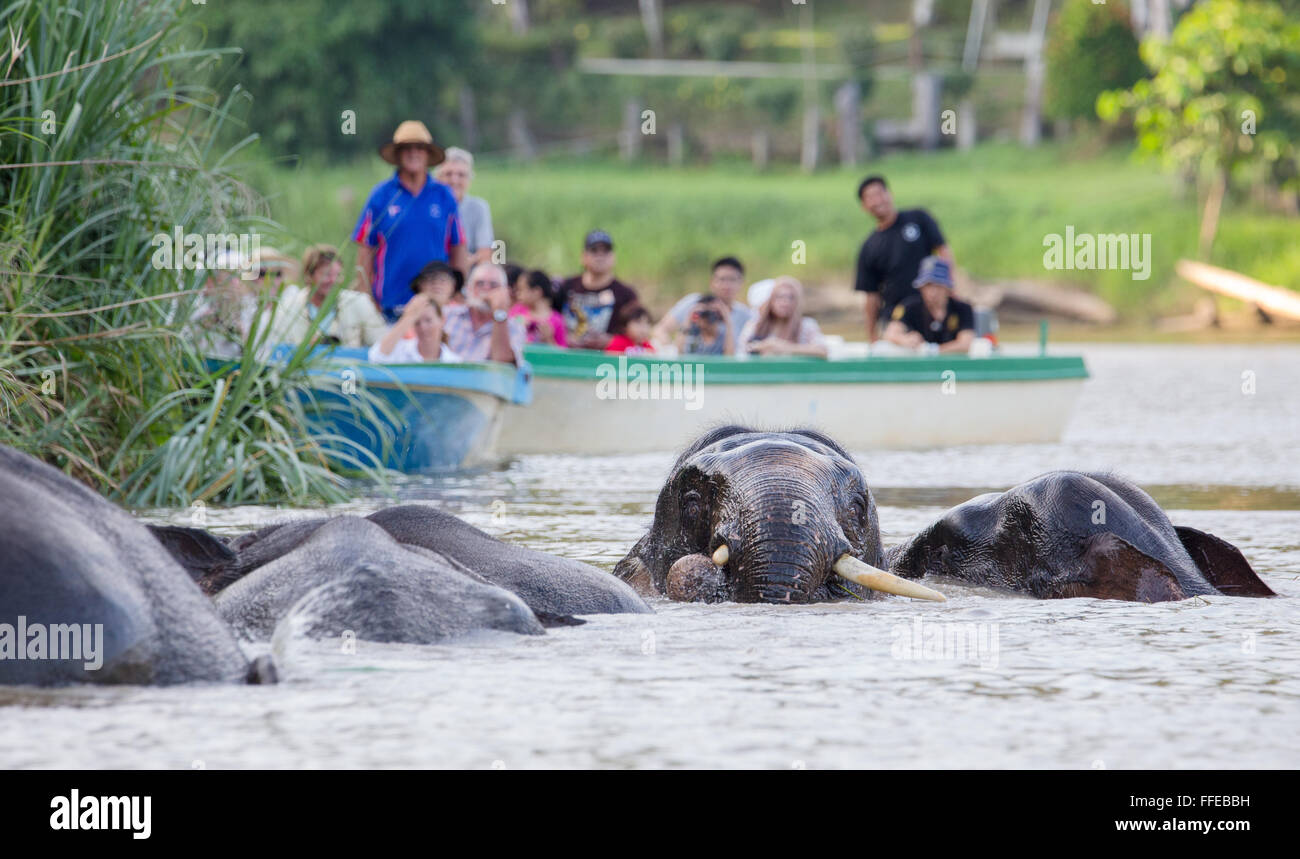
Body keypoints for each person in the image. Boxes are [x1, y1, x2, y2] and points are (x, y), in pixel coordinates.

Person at [353, 120, 466, 321]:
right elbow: (365, 251)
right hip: (390, 306)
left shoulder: (443, 195)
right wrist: (366, 299)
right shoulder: (381, 195)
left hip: (436, 306)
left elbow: (458, 246)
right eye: (407, 148)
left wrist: (456, 292)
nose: (413, 153)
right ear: (398, 154)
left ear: (428, 154)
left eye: (419, 148)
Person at [854, 175, 953, 342]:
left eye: (879, 193)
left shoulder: (918, 219)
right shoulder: (869, 247)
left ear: (889, 194)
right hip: (896, 316)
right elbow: (871, 297)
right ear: (864, 206)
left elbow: (943, 251)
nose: (877, 201)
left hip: (929, 309)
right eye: (870, 197)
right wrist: (871, 337)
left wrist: (952, 288)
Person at [258, 244, 387, 349]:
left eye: (337, 274)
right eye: (326, 274)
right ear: (309, 275)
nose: (333, 280)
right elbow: (277, 350)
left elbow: (380, 344)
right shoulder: (287, 308)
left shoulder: (358, 302)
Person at [555, 230, 640, 350]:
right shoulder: (566, 287)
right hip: (566, 355)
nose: (600, 256)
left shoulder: (626, 294)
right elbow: (548, 317)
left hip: (606, 362)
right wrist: (563, 337)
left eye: (605, 251)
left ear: (613, 257)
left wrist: (611, 341)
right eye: (594, 250)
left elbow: (639, 334)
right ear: (583, 257)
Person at [652, 256, 752, 353]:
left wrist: (726, 318)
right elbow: (660, 330)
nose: (726, 286)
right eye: (722, 279)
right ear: (712, 282)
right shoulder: (693, 303)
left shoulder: (745, 315)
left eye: (732, 280)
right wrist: (670, 348)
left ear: (741, 283)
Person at [883, 256, 975, 354]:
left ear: (947, 288)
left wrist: (935, 350)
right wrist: (905, 339)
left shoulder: (962, 308)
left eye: (938, 286)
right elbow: (890, 333)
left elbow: (966, 343)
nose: (933, 292)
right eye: (928, 286)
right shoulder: (909, 306)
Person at [442, 262, 526, 364]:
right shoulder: (447, 315)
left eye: (493, 285)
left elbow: (502, 362)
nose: (486, 289)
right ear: (469, 288)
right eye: (480, 284)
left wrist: (499, 312)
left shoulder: (514, 327)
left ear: (505, 292)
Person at [737, 276, 829, 358]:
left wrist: (785, 348)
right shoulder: (755, 326)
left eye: (791, 297)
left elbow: (822, 350)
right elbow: (741, 351)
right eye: (780, 297)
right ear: (770, 301)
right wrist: (763, 347)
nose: (785, 302)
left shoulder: (807, 325)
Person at [436, 147, 495, 269]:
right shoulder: (430, 207)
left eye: (461, 175)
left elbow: (485, 253)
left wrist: (459, 262)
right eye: (448, 174)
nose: (454, 180)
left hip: (467, 275)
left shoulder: (478, 207)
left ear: (469, 180)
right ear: (438, 178)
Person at [368, 292, 461, 364]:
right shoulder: (402, 350)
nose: (423, 327)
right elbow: (376, 357)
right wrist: (408, 317)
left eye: (428, 320)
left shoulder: (453, 361)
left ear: (442, 320)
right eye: (417, 322)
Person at [509, 269, 567, 346]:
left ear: (537, 292)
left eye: (521, 290)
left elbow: (562, 353)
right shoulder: (516, 311)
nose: (517, 294)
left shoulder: (557, 320)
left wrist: (549, 339)